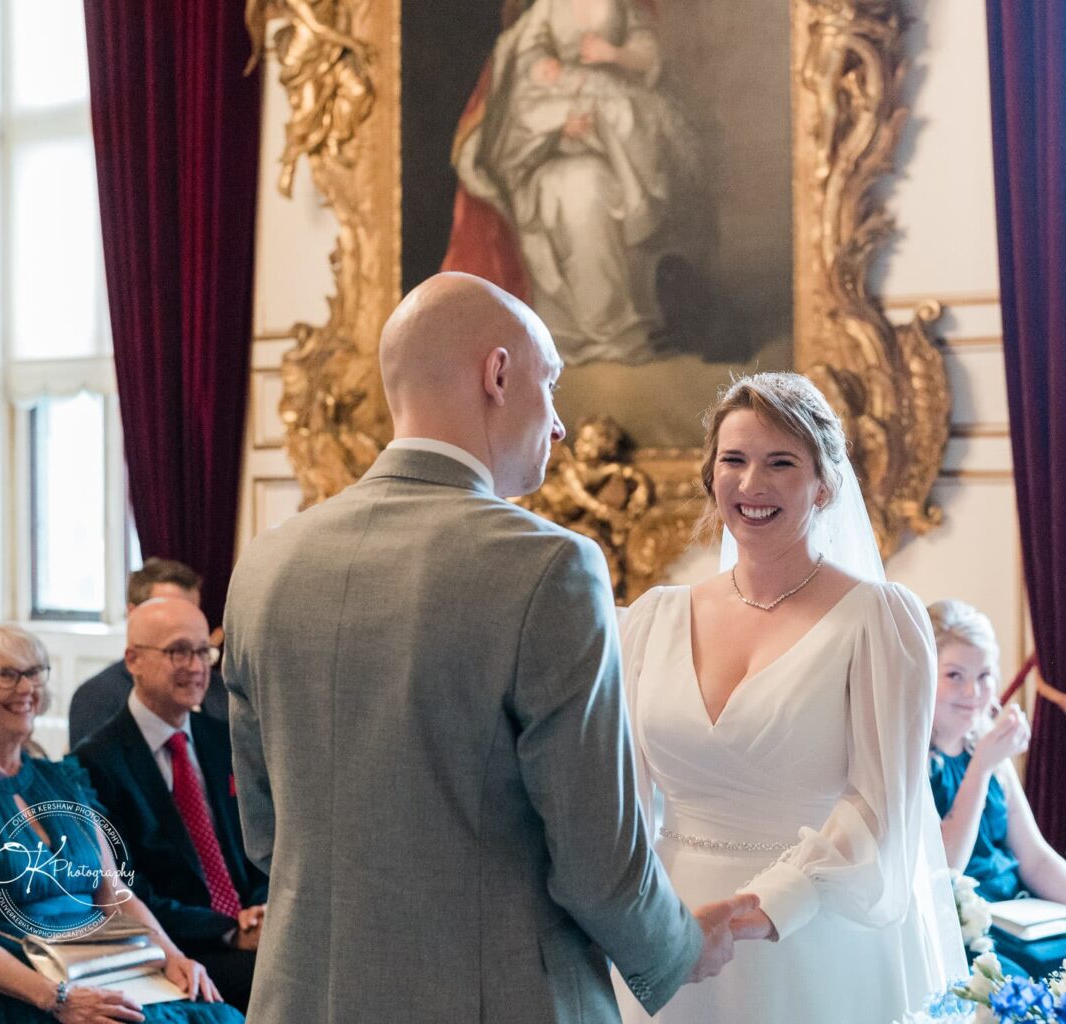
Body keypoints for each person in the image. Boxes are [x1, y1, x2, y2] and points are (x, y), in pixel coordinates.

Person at [221, 272, 755, 1024]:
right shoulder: (548, 567)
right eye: (552, 385)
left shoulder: (265, 564)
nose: (561, 424)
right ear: (497, 374)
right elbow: (597, 862)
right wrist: (677, 948)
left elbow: (267, 835)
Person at [613, 373, 966, 1024]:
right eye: (734, 461)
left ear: (824, 483)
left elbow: (880, 805)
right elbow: (621, 799)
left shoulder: (877, 622)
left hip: (812, 935)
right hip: (670, 934)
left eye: (781, 463)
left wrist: (763, 909)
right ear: (709, 474)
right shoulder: (650, 621)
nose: (752, 485)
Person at [0, 623, 240, 1024]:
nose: (26, 688)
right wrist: (57, 999)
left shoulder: (66, 779)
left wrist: (173, 956)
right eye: (7, 675)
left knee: (218, 1017)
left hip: (99, 966)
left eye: (34, 672)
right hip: (10, 985)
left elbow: (115, 895)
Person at [445, 0, 701, 365]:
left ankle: (617, 327)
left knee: (600, 169)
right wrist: (552, 98)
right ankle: (570, 334)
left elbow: (648, 55)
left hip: (611, 105)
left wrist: (612, 53)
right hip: (552, 134)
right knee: (570, 190)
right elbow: (522, 58)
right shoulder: (547, 9)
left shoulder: (621, 7)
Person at [74, 599, 268, 1012]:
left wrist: (261, 909)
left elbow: (260, 839)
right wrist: (229, 931)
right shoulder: (96, 761)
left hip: (250, 929)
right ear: (134, 660)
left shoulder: (222, 738)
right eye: (179, 651)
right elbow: (125, 888)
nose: (197, 667)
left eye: (204, 651)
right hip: (174, 945)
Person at [926, 599, 1066, 979]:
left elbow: (1033, 856)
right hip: (966, 929)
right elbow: (945, 868)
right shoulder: (913, 761)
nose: (974, 691)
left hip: (1020, 914)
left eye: (985, 675)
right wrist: (981, 767)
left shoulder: (987, 747)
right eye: (954, 675)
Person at [68, 559, 229, 750]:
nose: (194, 666)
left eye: (192, 612)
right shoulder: (97, 698)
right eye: (172, 612)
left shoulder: (222, 694)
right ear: (133, 614)